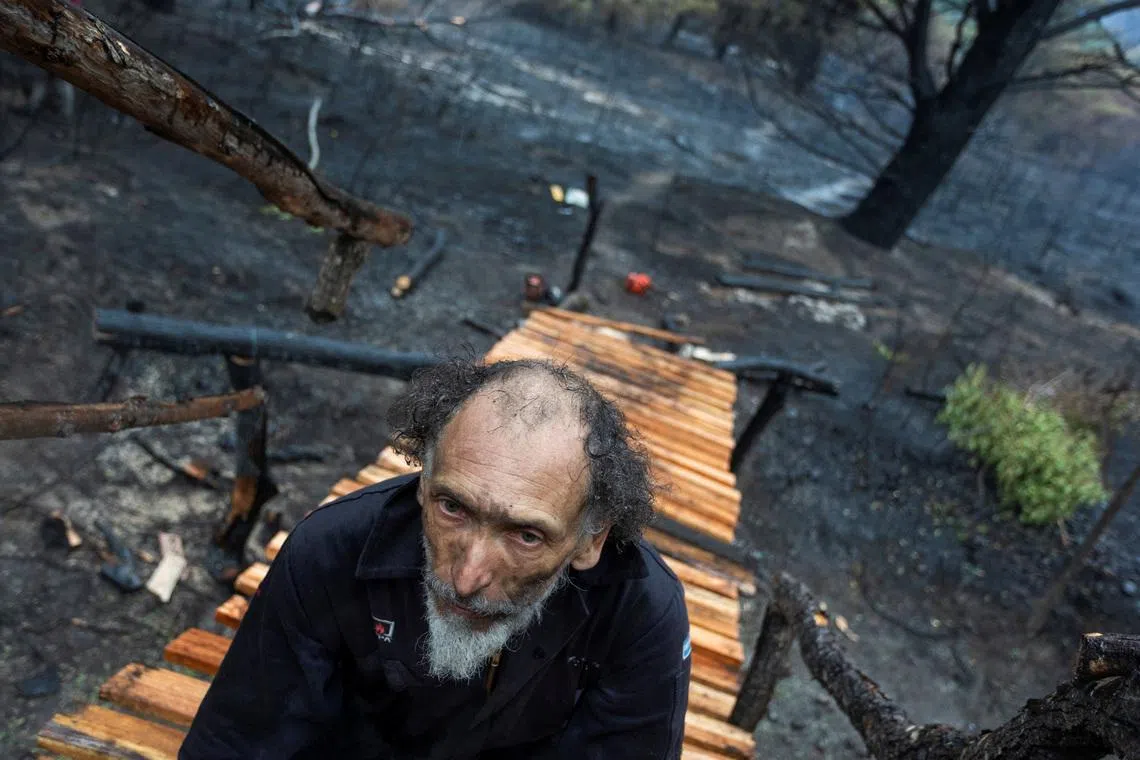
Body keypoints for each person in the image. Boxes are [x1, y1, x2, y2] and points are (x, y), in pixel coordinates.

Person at [180, 358, 692, 759]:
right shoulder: (331, 551)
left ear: (590, 540)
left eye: (526, 536)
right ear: (423, 484)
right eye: (453, 507)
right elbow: (238, 742)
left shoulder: (641, 613)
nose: (467, 578)